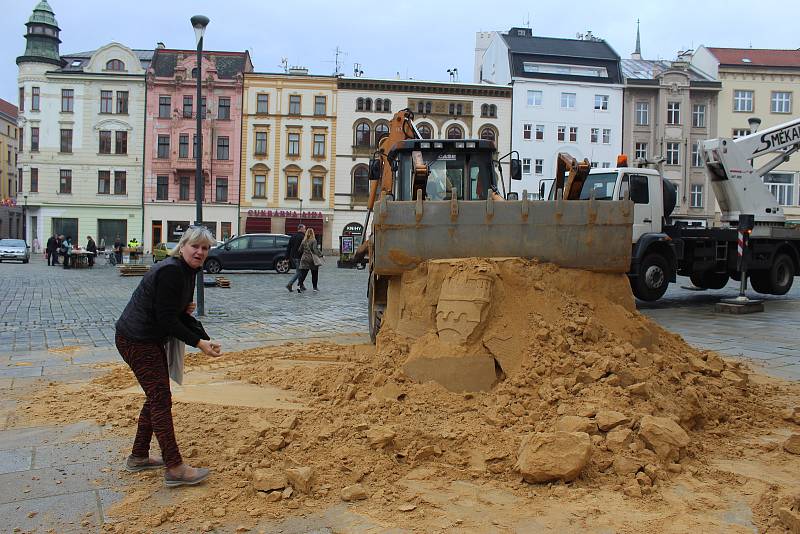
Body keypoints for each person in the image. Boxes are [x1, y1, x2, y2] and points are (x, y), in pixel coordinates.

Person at [115, 226, 222, 487]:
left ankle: (139, 456)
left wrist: (200, 334)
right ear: (183, 246)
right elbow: (166, 318)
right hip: (137, 339)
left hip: (147, 337)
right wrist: (198, 342)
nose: (199, 252)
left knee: (156, 395)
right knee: (160, 397)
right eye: (194, 246)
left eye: (205, 248)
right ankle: (174, 467)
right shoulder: (173, 271)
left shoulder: (187, 270)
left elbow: (174, 312)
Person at [297, 228, 323, 293]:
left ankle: (300, 285)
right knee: (314, 273)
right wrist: (321, 255)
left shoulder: (304, 241)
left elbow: (299, 250)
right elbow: (315, 249)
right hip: (312, 259)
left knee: (303, 273)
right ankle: (315, 287)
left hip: (304, 258)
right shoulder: (314, 240)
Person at [284, 224, 306, 292]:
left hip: (293, 256)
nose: (305, 230)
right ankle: (290, 284)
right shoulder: (303, 237)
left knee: (299, 271)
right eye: (304, 228)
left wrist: (287, 257)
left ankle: (301, 285)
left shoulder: (293, 236)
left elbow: (289, 247)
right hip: (300, 256)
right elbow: (304, 248)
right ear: (301, 228)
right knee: (299, 272)